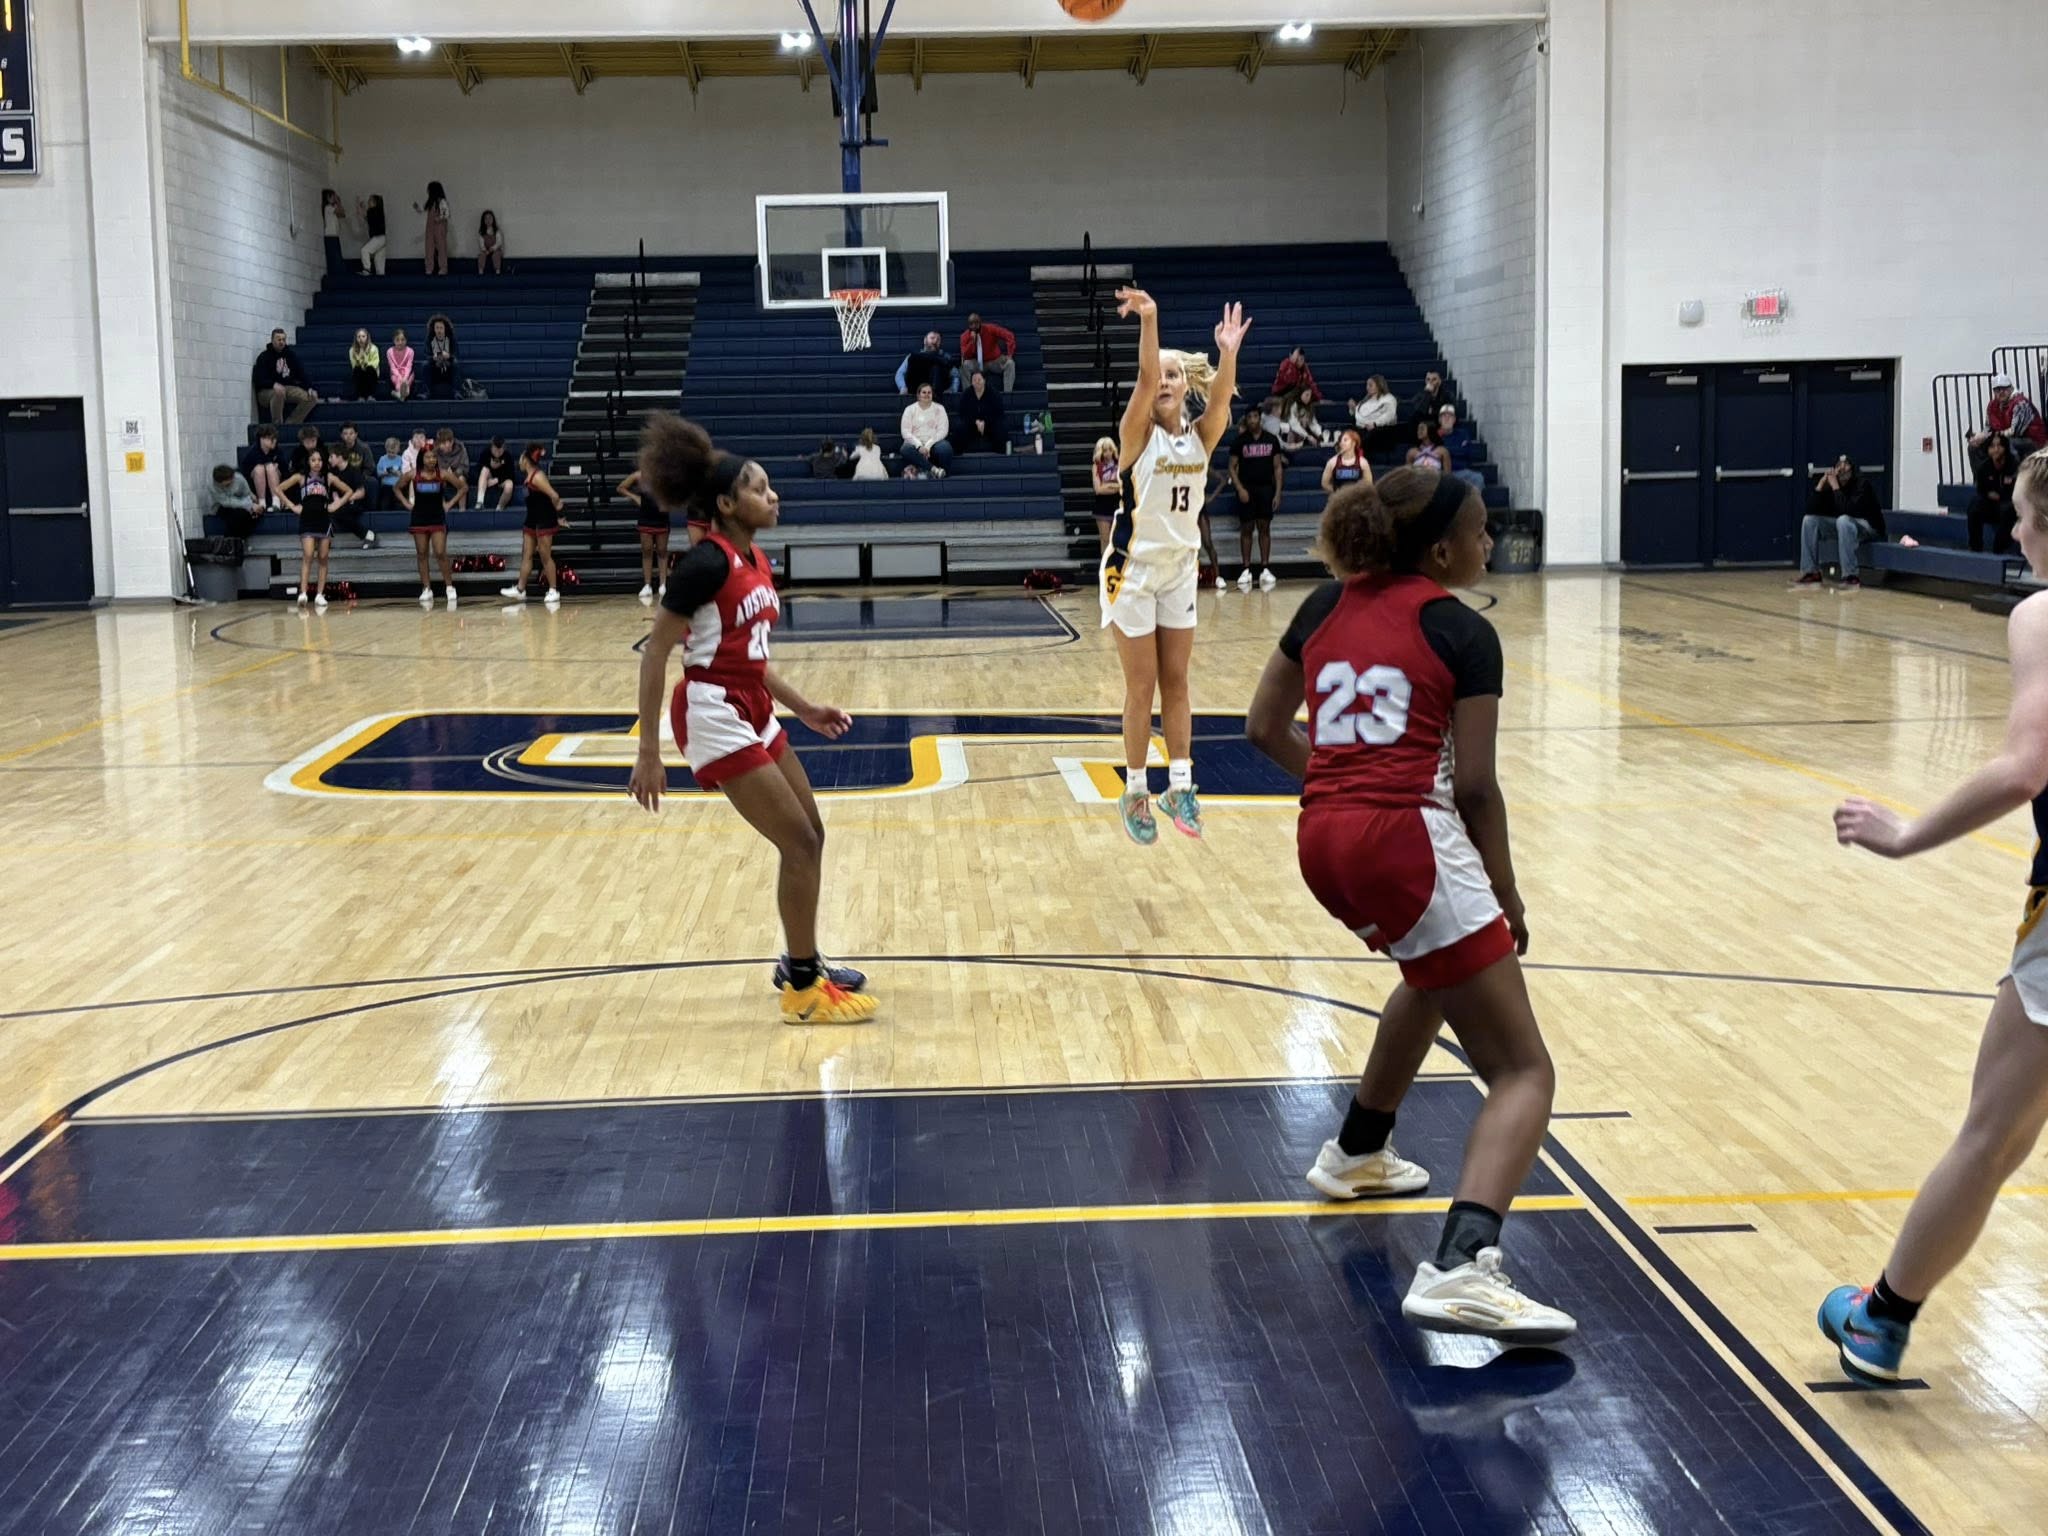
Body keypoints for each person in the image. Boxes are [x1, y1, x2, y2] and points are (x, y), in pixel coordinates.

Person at [1244, 469, 1575, 1346]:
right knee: (1523, 1070)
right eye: (1478, 531)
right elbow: (1474, 786)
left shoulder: (1322, 606)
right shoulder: (1462, 630)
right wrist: (1504, 893)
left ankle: (1357, 1151)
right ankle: (1466, 1266)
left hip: (1324, 841)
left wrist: (1340, 786)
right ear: (1439, 549)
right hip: (1410, 846)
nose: (1489, 544)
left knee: (1432, 977)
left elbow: (1261, 729)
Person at [1821, 451, 2048, 1384]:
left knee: (1993, 1131)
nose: (2017, 533)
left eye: (2026, 519)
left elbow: (2027, 766)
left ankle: (1883, 1318)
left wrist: (1908, 835)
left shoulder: (2042, 614)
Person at [628, 414, 876, 1024]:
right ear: (726, 504)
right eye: (759, 488)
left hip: (753, 704)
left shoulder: (757, 562)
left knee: (812, 835)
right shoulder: (704, 565)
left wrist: (805, 707)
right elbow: (656, 650)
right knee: (796, 841)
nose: (773, 495)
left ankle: (803, 960)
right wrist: (649, 752)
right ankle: (800, 992)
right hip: (712, 710)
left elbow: (751, 658)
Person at [1101, 285, 1250, 845]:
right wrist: (1151, 318)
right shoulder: (1135, 437)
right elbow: (1142, 379)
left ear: (1185, 383)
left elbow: (1222, 403)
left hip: (1179, 571)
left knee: (1179, 681)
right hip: (1132, 570)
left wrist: (1228, 353)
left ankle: (1180, 786)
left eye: (1172, 374)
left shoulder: (1200, 439)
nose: (1162, 381)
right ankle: (1136, 787)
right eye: (1156, 374)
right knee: (1141, 688)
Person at [278, 446, 356, 610]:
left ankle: (320, 594)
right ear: (308, 461)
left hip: (324, 520)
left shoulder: (328, 477)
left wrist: (336, 504)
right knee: (308, 555)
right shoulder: (300, 477)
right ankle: (303, 593)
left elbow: (349, 491)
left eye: (320, 460)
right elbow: (278, 488)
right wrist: (292, 506)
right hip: (307, 520)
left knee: (323, 557)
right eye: (313, 460)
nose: (317, 463)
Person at [1794, 455, 1885, 590]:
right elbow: (1810, 510)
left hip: (1868, 527)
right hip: (1844, 526)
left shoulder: (1862, 484)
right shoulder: (1832, 486)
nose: (1842, 468)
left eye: (1846, 464)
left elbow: (1848, 510)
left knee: (1843, 521)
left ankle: (1850, 576)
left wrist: (1836, 487)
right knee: (1809, 521)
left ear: (1852, 469)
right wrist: (1821, 485)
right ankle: (1811, 572)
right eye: (1838, 465)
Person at [501, 443, 566, 604]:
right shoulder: (529, 476)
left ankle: (553, 590)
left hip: (544, 520)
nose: (519, 462)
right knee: (527, 554)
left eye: (521, 459)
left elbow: (554, 495)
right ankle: (520, 589)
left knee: (545, 555)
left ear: (526, 460)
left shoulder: (537, 476)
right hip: (532, 519)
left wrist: (557, 509)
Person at [397, 443, 458, 608]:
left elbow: (463, 487)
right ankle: (426, 589)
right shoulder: (413, 475)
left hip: (438, 518)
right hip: (419, 518)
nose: (431, 460)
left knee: (440, 553)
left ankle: (450, 587)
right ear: (421, 459)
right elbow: (396, 488)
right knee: (422, 554)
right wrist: (406, 504)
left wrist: (449, 504)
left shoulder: (443, 474)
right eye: (428, 457)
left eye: (433, 457)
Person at [1229, 408, 1283, 592]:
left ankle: (1265, 568)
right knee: (1246, 528)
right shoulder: (1240, 441)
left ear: (1260, 419)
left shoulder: (1271, 440)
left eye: (1255, 416)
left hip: (1266, 489)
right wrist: (1240, 489)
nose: (1253, 420)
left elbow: (1277, 468)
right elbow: (1231, 467)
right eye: (1249, 417)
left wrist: (1277, 493)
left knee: (1264, 528)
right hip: (1247, 490)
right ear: (1246, 420)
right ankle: (1246, 570)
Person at [618, 467, 670, 601]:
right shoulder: (638, 476)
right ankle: (647, 585)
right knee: (647, 551)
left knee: (662, 551)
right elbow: (621, 488)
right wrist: (635, 497)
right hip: (646, 518)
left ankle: (663, 584)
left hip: (661, 517)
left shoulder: (665, 476)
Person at [252, 327, 318, 424]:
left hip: (286, 387)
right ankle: (277, 425)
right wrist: (273, 384)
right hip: (266, 391)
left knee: (312, 398)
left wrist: (310, 387)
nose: (281, 342)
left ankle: (291, 423)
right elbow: (259, 379)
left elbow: (301, 373)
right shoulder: (264, 357)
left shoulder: (290, 355)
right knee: (279, 392)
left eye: (283, 339)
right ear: (272, 340)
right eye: (279, 339)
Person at [327, 423, 378, 544]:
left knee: (339, 513)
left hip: (355, 501)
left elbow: (361, 493)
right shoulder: (332, 471)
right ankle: (368, 535)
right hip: (340, 501)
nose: (329, 459)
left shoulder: (353, 470)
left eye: (331, 457)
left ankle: (368, 535)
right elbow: (334, 490)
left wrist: (342, 500)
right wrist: (336, 500)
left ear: (340, 457)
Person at [1973, 374, 2047, 456]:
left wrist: (1990, 437)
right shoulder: (1992, 406)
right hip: (2003, 438)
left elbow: (2015, 432)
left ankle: (2013, 469)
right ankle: (1985, 469)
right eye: (1997, 389)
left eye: (2004, 388)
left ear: (2011, 388)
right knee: (1974, 447)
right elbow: (1988, 428)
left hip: (2033, 441)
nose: (2001, 392)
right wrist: (1980, 437)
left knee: (2007, 444)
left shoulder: (2020, 403)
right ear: (1993, 391)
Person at [1971, 434, 2021, 554]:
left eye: (1999, 446)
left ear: (2005, 448)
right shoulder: (1984, 468)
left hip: (2010, 506)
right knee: (1974, 507)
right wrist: (1989, 494)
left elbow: (2018, 491)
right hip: (1992, 505)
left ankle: (1998, 550)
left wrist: (2002, 496)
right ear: (1988, 450)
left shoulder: (2014, 466)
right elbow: (1981, 490)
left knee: (2009, 509)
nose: (1996, 449)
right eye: (1992, 446)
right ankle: (1975, 548)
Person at [898, 383, 953, 479]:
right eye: (924, 392)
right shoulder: (910, 409)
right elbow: (905, 432)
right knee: (905, 449)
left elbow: (943, 430)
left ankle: (943, 474)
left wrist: (928, 445)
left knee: (946, 448)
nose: (927, 395)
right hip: (915, 446)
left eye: (929, 392)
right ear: (918, 395)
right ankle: (934, 470)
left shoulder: (940, 409)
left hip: (933, 444)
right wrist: (919, 446)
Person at [957, 313, 1018, 396]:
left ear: (980, 323)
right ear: (968, 325)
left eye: (976, 323)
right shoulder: (964, 336)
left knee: (1010, 363)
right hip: (977, 363)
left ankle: (1008, 394)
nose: (974, 326)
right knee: (964, 366)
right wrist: (972, 342)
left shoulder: (990, 328)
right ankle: (968, 396)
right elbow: (965, 355)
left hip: (995, 360)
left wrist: (1010, 354)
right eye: (971, 324)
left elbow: (1009, 335)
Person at [1434, 404, 1487, 494]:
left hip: (1461, 472)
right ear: (1439, 420)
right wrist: (1457, 450)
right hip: (1441, 473)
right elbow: (1435, 454)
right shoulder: (1434, 436)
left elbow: (1467, 452)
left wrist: (1446, 450)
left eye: (1450, 416)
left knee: (1478, 478)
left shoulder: (1462, 434)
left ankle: (1471, 506)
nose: (1447, 419)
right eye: (1444, 416)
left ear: (1454, 420)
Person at [954, 369, 1005, 455]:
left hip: (989, 424)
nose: (977, 382)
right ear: (971, 382)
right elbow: (963, 413)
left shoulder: (993, 393)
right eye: (974, 380)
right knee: (960, 427)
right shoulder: (966, 394)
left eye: (979, 380)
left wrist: (985, 422)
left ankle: (1000, 454)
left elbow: (998, 412)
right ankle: (958, 454)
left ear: (984, 380)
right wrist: (976, 422)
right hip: (972, 424)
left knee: (1000, 427)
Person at [1349, 374, 1401, 455]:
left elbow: (1389, 416)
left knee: (1370, 434)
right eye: (1367, 385)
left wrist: (1375, 423)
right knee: (1350, 431)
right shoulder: (1366, 400)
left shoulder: (1389, 398)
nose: (1367, 387)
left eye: (1370, 385)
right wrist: (1353, 409)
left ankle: (1358, 455)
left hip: (1382, 429)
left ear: (1379, 386)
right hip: (1365, 428)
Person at [895, 331, 956, 399]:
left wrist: (952, 389)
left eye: (938, 340)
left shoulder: (946, 357)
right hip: (917, 387)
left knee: (939, 365)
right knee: (914, 358)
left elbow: (955, 376)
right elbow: (900, 373)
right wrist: (903, 387)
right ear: (925, 340)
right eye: (932, 338)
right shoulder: (913, 357)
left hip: (937, 388)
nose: (935, 341)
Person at [238, 424, 286, 510]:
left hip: (276, 482)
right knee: (259, 468)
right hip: (257, 483)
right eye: (271, 439)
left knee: (270, 467)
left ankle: (276, 501)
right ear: (262, 439)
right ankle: (262, 502)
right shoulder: (252, 453)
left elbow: (285, 472)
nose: (274, 441)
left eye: (275, 438)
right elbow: (244, 474)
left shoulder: (278, 451)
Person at [208, 464, 261, 540]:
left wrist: (252, 504)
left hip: (242, 502)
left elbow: (247, 494)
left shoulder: (239, 478)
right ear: (219, 482)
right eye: (228, 482)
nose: (231, 482)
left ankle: (238, 541)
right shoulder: (212, 486)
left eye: (232, 479)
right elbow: (226, 502)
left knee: (254, 514)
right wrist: (249, 505)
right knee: (237, 515)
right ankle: (230, 541)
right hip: (221, 506)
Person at [1091, 437, 1121, 552]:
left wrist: (1107, 485)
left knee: (1117, 540)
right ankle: (1105, 566)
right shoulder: (1096, 466)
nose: (1108, 453)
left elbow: (1122, 486)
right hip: (1102, 507)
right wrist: (1114, 486)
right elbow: (1098, 489)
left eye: (1110, 449)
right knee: (1105, 540)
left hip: (1117, 505)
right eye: (1104, 450)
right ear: (1100, 451)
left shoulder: (1120, 464)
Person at [415, 181, 451, 276]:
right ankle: (429, 268)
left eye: (429, 190)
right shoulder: (430, 202)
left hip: (439, 227)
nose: (427, 191)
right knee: (429, 247)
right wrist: (417, 208)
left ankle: (443, 268)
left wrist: (439, 218)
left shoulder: (442, 201)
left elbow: (447, 214)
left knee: (441, 247)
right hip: (430, 228)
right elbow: (423, 210)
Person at [1322, 428, 1374, 495]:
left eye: (1345, 440)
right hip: (1339, 499)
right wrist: (1337, 493)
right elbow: (1324, 483)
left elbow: (1368, 484)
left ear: (1354, 443)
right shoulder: (1332, 462)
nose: (1342, 443)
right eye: (1341, 441)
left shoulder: (1363, 462)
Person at [475, 436, 517, 510]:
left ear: (503, 448)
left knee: (509, 484)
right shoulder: (486, 453)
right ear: (492, 447)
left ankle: (500, 507)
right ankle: (480, 501)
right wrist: (490, 466)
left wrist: (497, 480)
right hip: (488, 478)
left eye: (500, 451)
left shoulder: (507, 456)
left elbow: (511, 474)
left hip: (501, 480)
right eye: (495, 450)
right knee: (485, 469)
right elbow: (478, 469)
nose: (497, 453)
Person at [434, 428, 471, 511]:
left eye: (444, 443)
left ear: (451, 442)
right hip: (442, 474)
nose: (441, 446)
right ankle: (443, 507)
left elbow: (464, 466)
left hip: (456, 475)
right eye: (440, 443)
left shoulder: (461, 448)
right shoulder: (435, 450)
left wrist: (454, 473)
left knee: (462, 480)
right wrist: (444, 473)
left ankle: (462, 509)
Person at [424, 315, 460, 399]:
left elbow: (456, 354)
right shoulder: (429, 338)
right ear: (433, 328)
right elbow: (426, 355)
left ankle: (456, 392)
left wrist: (449, 356)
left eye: (441, 328)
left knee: (455, 363)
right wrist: (433, 357)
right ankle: (426, 392)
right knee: (425, 365)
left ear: (445, 328)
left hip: (448, 370)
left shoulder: (451, 338)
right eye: (437, 328)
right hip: (435, 370)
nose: (439, 330)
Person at [356, 194, 389, 276]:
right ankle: (381, 280)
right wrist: (362, 208)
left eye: (370, 200)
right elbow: (367, 218)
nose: (368, 202)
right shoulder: (379, 211)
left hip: (378, 238)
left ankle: (367, 269)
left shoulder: (372, 211)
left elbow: (364, 215)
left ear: (374, 202)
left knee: (364, 250)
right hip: (383, 239)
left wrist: (359, 205)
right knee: (379, 264)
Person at [347, 329, 381, 401]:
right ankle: (360, 396)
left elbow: (375, 363)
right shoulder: (352, 350)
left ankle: (370, 395)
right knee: (357, 370)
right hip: (360, 372)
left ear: (367, 337)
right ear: (356, 338)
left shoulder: (374, 348)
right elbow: (354, 365)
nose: (361, 339)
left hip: (371, 372)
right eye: (358, 337)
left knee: (369, 369)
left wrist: (365, 358)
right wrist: (360, 356)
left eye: (363, 336)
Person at [320, 189, 346, 277]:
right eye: (333, 196)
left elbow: (342, 214)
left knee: (336, 255)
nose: (335, 198)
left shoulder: (332, 207)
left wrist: (338, 202)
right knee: (334, 256)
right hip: (330, 235)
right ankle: (335, 274)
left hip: (334, 235)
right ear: (328, 197)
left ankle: (337, 273)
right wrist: (338, 201)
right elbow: (341, 212)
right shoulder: (328, 207)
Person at [376, 436, 406, 510]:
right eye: (389, 452)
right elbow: (378, 474)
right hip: (386, 486)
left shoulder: (401, 459)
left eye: (393, 452)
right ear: (386, 449)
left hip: (398, 486)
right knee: (385, 504)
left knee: (399, 504)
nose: (391, 454)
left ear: (398, 450)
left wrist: (398, 473)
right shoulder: (382, 459)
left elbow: (404, 474)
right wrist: (386, 473)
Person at [386, 328, 415, 402]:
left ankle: (399, 394)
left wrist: (404, 378)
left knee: (407, 381)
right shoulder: (389, 351)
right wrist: (400, 377)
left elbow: (409, 366)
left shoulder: (410, 351)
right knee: (397, 380)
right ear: (394, 341)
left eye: (403, 340)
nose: (400, 342)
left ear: (406, 340)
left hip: (407, 374)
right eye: (397, 340)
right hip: (395, 374)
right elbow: (392, 367)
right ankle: (402, 394)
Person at [477, 210, 505, 275]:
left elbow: (499, 242)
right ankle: (481, 270)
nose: (488, 220)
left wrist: (493, 248)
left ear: (493, 220)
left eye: (490, 218)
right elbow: (481, 243)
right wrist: (484, 250)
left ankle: (497, 270)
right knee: (481, 255)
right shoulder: (482, 232)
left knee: (496, 255)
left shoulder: (497, 231)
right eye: (486, 218)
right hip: (486, 250)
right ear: (483, 221)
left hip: (496, 249)